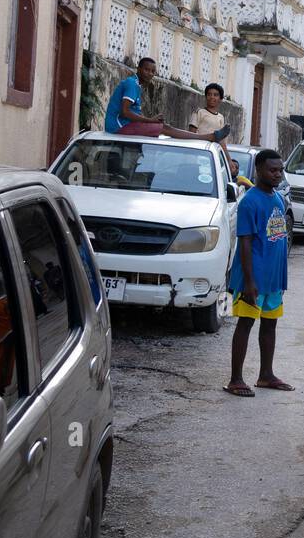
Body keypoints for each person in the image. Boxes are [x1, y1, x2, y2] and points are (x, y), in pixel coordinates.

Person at [225, 150, 294, 397]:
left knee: (270, 324)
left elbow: (278, 240)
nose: (277, 175)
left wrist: (282, 276)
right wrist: (249, 281)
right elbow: (245, 243)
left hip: (273, 280)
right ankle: (235, 379)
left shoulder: (277, 199)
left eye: (280, 170)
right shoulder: (250, 202)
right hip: (252, 279)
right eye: (272, 170)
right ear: (259, 170)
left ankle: (266, 375)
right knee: (245, 324)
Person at [106, 58, 231, 141]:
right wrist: (149, 120)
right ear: (138, 69)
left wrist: (150, 121)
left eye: (153, 71)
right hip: (118, 127)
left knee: (164, 127)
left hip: (126, 125)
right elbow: (125, 112)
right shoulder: (132, 83)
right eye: (146, 70)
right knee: (165, 129)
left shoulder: (136, 84)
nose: (150, 74)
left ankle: (206, 137)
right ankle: (208, 137)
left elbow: (132, 112)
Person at [189, 83, 230, 152]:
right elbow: (191, 135)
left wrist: (229, 160)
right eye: (209, 94)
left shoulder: (221, 117)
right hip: (198, 150)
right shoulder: (199, 112)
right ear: (206, 96)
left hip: (212, 153)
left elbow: (222, 141)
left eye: (215, 95)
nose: (212, 97)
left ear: (220, 99)